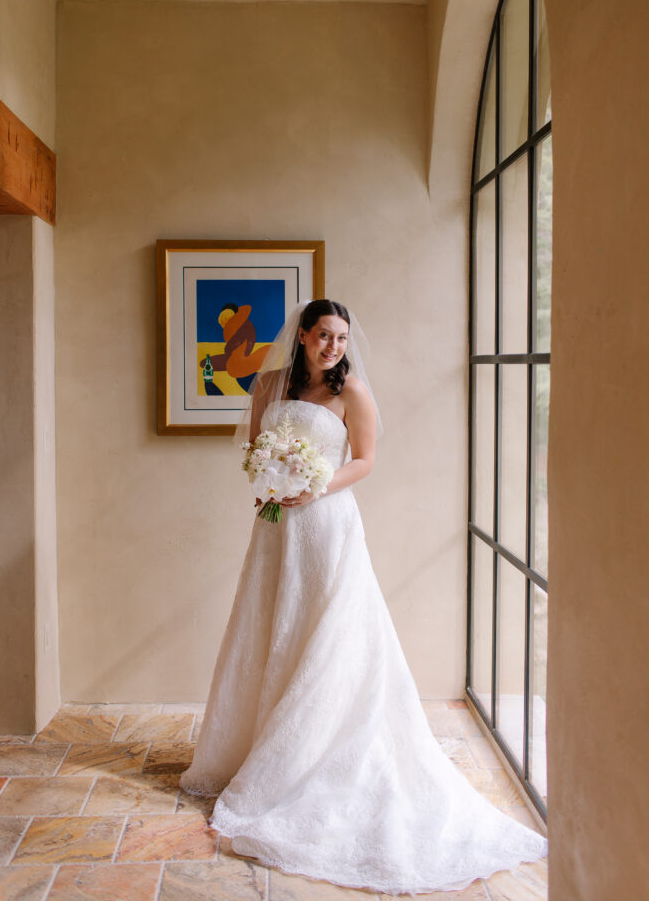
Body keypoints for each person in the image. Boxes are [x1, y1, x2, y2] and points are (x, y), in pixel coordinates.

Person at [180, 299, 548, 895]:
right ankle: (258, 744)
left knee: (329, 634)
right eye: (323, 335)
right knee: (271, 626)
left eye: (341, 337)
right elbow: (256, 452)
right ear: (301, 336)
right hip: (275, 527)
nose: (333, 347)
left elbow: (367, 461)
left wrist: (313, 486)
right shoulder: (268, 384)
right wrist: (273, 484)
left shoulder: (351, 393)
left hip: (327, 525)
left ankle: (318, 749)